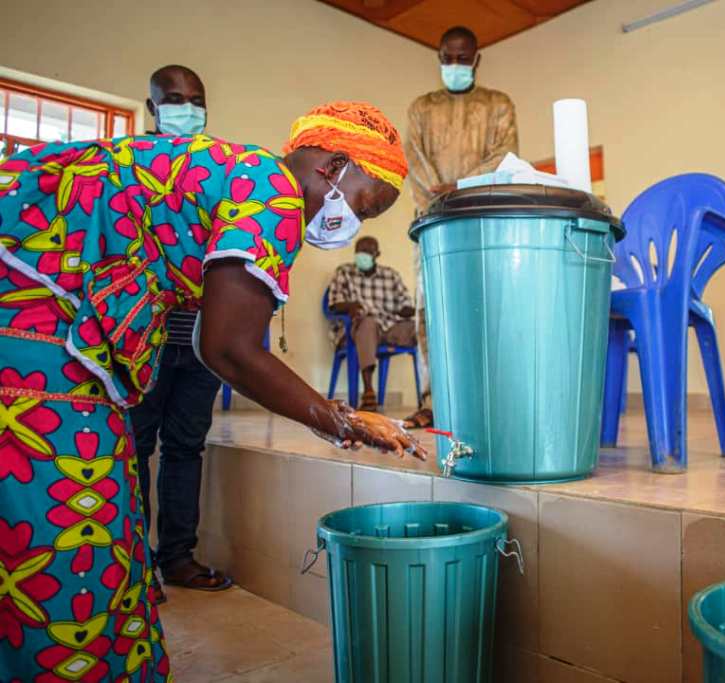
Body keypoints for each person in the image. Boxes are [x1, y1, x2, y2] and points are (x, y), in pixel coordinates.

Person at [0, 101, 423, 682]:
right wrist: (342, 420)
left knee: (112, 496)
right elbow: (228, 348)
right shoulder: (271, 192)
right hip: (31, 323)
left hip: (45, 316)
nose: (357, 223)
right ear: (334, 166)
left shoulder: (241, 175)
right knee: (72, 527)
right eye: (365, 205)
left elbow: (205, 340)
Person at [128, 64, 228, 606]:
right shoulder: (128, 168)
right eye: (173, 98)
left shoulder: (221, 169)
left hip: (201, 337)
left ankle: (178, 557)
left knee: (187, 447)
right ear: (151, 109)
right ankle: (136, 567)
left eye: (195, 98)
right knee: (137, 446)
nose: (186, 107)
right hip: (142, 336)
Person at [404, 25, 519, 429]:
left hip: (482, 221)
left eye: (462, 57)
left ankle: (487, 397)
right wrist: (441, 200)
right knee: (430, 312)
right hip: (432, 223)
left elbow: (504, 157)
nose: (455, 65)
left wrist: (462, 189)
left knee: (486, 307)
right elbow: (413, 162)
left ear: (477, 59)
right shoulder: (421, 108)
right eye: (447, 58)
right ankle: (433, 401)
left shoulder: (498, 104)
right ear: (439, 57)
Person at [328, 236, 416, 411]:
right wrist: (351, 306)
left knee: (421, 328)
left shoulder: (390, 275)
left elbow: (408, 306)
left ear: (377, 254)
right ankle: (368, 392)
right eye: (359, 251)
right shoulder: (344, 272)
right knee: (367, 324)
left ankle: (428, 397)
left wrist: (405, 310)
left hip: (390, 326)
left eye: (367, 252)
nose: (362, 256)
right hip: (359, 327)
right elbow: (334, 304)